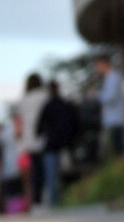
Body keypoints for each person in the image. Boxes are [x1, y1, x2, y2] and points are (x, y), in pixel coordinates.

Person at [36, 81, 80, 206]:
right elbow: (76, 124)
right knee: (68, 175)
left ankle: (55, 201)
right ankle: (69, 198)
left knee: (52, 176)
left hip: (51, 145)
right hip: (66, 145)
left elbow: (39, 126)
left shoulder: (47, 106)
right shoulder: (66, 105)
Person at [17, 73, 48, 207]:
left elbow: (21, 121)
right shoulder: (44, 95)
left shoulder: (24, 99)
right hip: (43, 135)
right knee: (45, 168)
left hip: (29, 138)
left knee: (34, 170)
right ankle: (46, 196)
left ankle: (36, 199)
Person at [95, 56, 124, 158]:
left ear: (104, 64)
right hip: (113, 119)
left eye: (98, 66)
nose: (97, 69)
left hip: (116, 119)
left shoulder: (113, 78)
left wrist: (96, 95)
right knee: (116, 148)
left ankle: (120, 167)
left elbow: (110, 97)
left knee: (118, 149)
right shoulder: (110, 78)